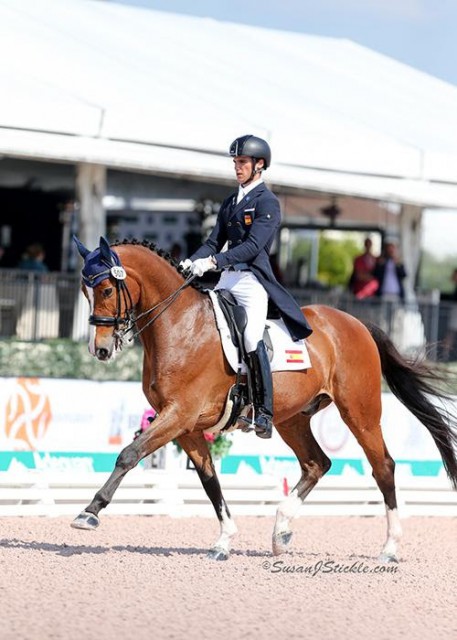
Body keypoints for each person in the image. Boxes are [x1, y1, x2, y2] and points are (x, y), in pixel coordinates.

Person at [180, 134, 313, 439]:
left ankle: (263, 411)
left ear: (259, 165)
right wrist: (190, 262)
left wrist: (212, 262)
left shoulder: (268, 202)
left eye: (242, 162)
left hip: (252, 280)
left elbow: (253, 247)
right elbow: (213, 241)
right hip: (226, 278)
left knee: (251, 337)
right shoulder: (231, 201)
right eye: (235, 162)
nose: (237, 168)